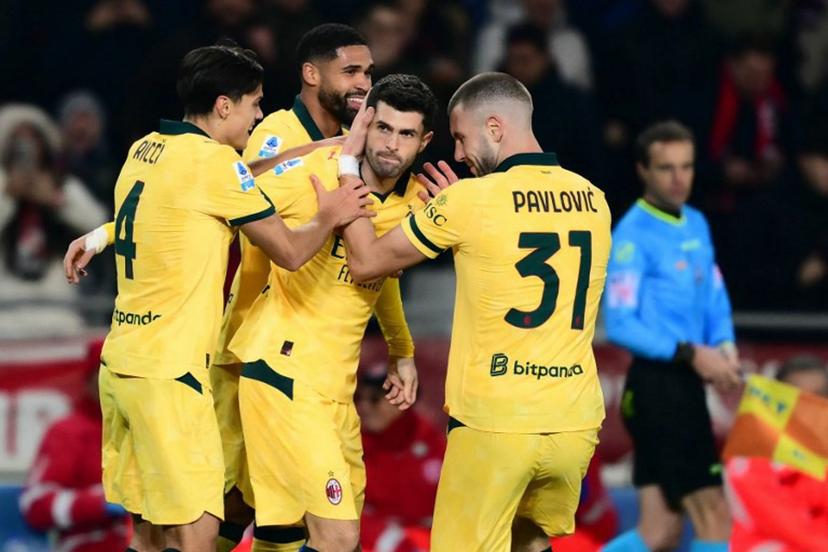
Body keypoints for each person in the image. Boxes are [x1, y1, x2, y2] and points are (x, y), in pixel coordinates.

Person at [63, 44, 370, 552]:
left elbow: (160, 210)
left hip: (120, 365)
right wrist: (330, 215)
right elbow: (291, 252)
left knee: (148, 530)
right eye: (254, 103)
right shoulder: (217, 165)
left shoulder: (146, 148)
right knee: (199, 531)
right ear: (224, 106)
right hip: (172, 373)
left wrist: (99, 237)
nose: (259, 115)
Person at [338, 71, 612, 552]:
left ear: (494, 127)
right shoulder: (594, 200)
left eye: (462, 138)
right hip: (573, 424)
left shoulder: (471, 200)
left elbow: (365, 262)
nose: (459, 155)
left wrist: (346, 169)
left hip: (495, 424)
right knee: (529, 542)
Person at [228, 73, 438, 552]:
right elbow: (223, 194)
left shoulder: (413, 201)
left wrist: (401, 351)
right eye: (382, 127)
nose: (390, 144)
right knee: (338, 536)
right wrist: (111, 233)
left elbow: (377, 273)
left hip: (334, 392)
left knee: (283, 536)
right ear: (363, 122)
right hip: (283, 372)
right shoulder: (316, 175)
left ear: (424, 141)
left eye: (406, 134)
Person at [210, 23, 380, 552]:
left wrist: (400, 346)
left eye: (368, 72)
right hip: (248, 345)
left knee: (283, 514)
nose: (363, 83)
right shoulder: (277, 133)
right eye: (350, 71)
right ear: (311, 73)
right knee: (231, 501)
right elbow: (237, 198)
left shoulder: (357, 148)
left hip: (308, 358)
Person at [601, 121, 740, 552]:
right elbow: (621, 323)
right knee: (714, 517)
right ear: (643, 170)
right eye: (666, 168)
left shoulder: (695, 223)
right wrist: (690, 353)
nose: (680, 178)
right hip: (661, 387)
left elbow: (712, 292)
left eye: (687, 166)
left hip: (680, 385)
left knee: (659, 532)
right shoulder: (630, 238)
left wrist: (725, 344)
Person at [19, 339, 130, 552]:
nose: (115, 386)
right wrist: (100, 502)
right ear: (89, 381)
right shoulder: (67, 432)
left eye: (124, 378)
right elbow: (35, 504)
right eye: (107, 377)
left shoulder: (146, 431)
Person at [356, 363, 445, 551]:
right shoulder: (352, 444)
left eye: (374, 399)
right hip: (370, 539)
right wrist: (388, 539)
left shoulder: (433, 443)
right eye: (359, 398)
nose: (363, 407)